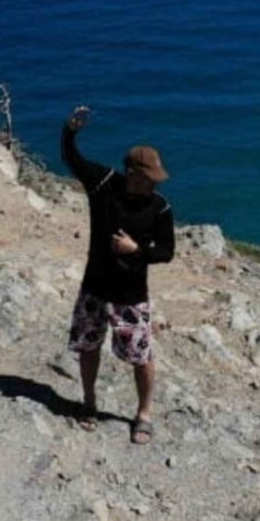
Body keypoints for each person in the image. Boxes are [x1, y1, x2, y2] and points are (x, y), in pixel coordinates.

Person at [61, 105, 175, 445]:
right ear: (133, 173)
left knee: (141, 356)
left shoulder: (160, 207)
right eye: (150, 178)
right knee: (88, 346)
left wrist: (136, 251)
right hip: (95, 287)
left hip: (131, 294)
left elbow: (167, 252)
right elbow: (72, 159)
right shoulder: (103, 184)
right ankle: (89, 402)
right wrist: (70, 131)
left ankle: (144, 414)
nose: (154, 184)